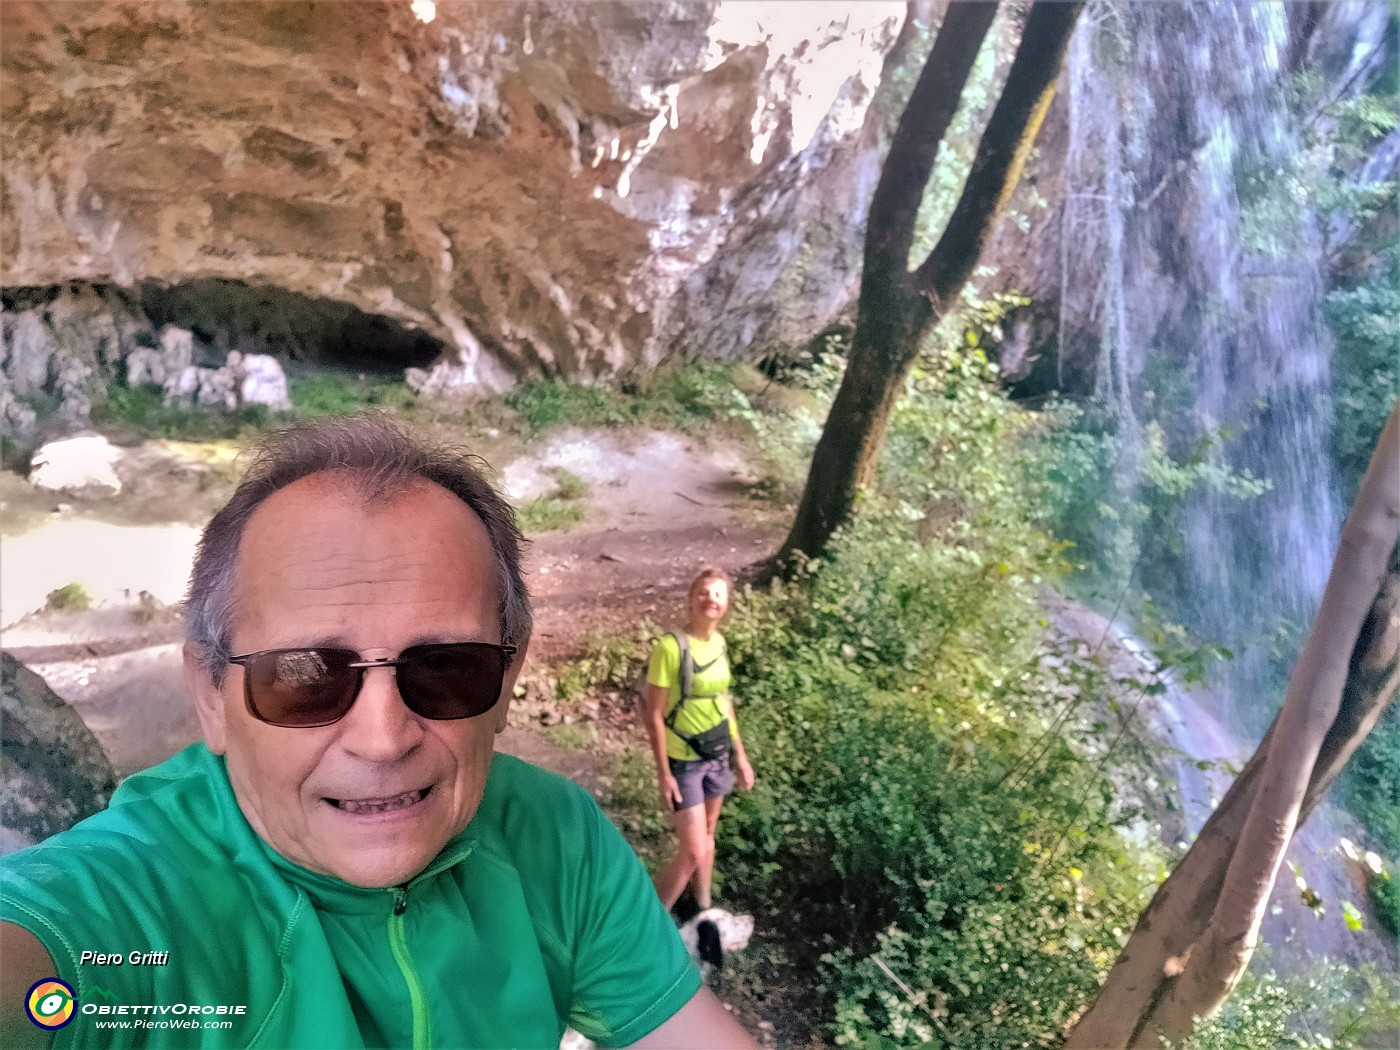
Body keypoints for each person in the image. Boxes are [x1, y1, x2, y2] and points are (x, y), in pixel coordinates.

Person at [0, 413, 756, 1049]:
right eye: (303, 675)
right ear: (208, 690)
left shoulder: (555, 837)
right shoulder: (131, 906)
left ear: (508, 676)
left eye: (447, 668)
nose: (382, 738)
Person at [644, 568, 755, 915]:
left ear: (726, 605)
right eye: (704, 592)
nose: (711, 599)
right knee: (692, 849)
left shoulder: (720, 643)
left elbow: (724, 701)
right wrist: (664, 773)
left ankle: (702, 908)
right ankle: (650, 919)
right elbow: (653, 714)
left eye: (718, 594)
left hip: (717, 754)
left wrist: (741, 756)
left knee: (708, 835)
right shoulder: (670, 648)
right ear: (691, 600)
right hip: (684, 761)